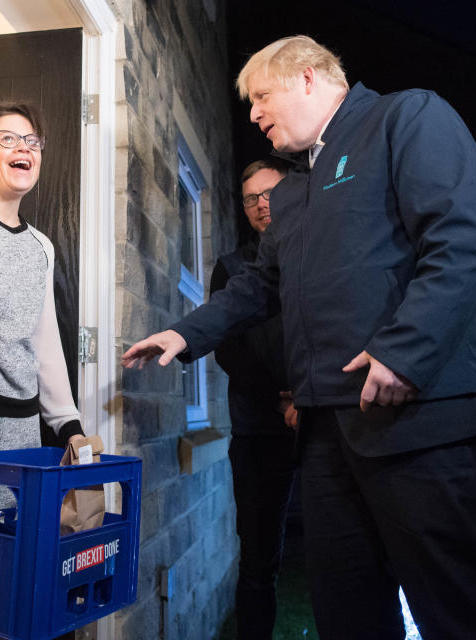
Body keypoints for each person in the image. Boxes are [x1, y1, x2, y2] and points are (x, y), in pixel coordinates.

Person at [122, 35, 476, 639]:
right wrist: (183, 333)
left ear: (308, 77)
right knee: (347, 613)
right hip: (325, 432)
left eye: (261, 97)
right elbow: (257, 285)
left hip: (416, 417)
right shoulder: (295, 190)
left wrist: (402, 351)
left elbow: (461, 238)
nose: (254, 114)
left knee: (458, 610)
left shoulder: (407, 117)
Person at [0, 100, 84, 516]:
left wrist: (69, 425)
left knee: (5, 555)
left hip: (23, 428)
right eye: (6, 139)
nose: (22, 148)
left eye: (31, 141)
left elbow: (44, 343)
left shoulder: (41, 246)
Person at [211, 159, 296, 639]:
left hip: (329, 421)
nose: (262, 204)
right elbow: (228, 349)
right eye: (250, 198)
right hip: (260, 428)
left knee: (350, 547)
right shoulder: (232, 268)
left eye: (271, 193)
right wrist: (279, 402)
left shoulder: (320, 253)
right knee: (259, 560)